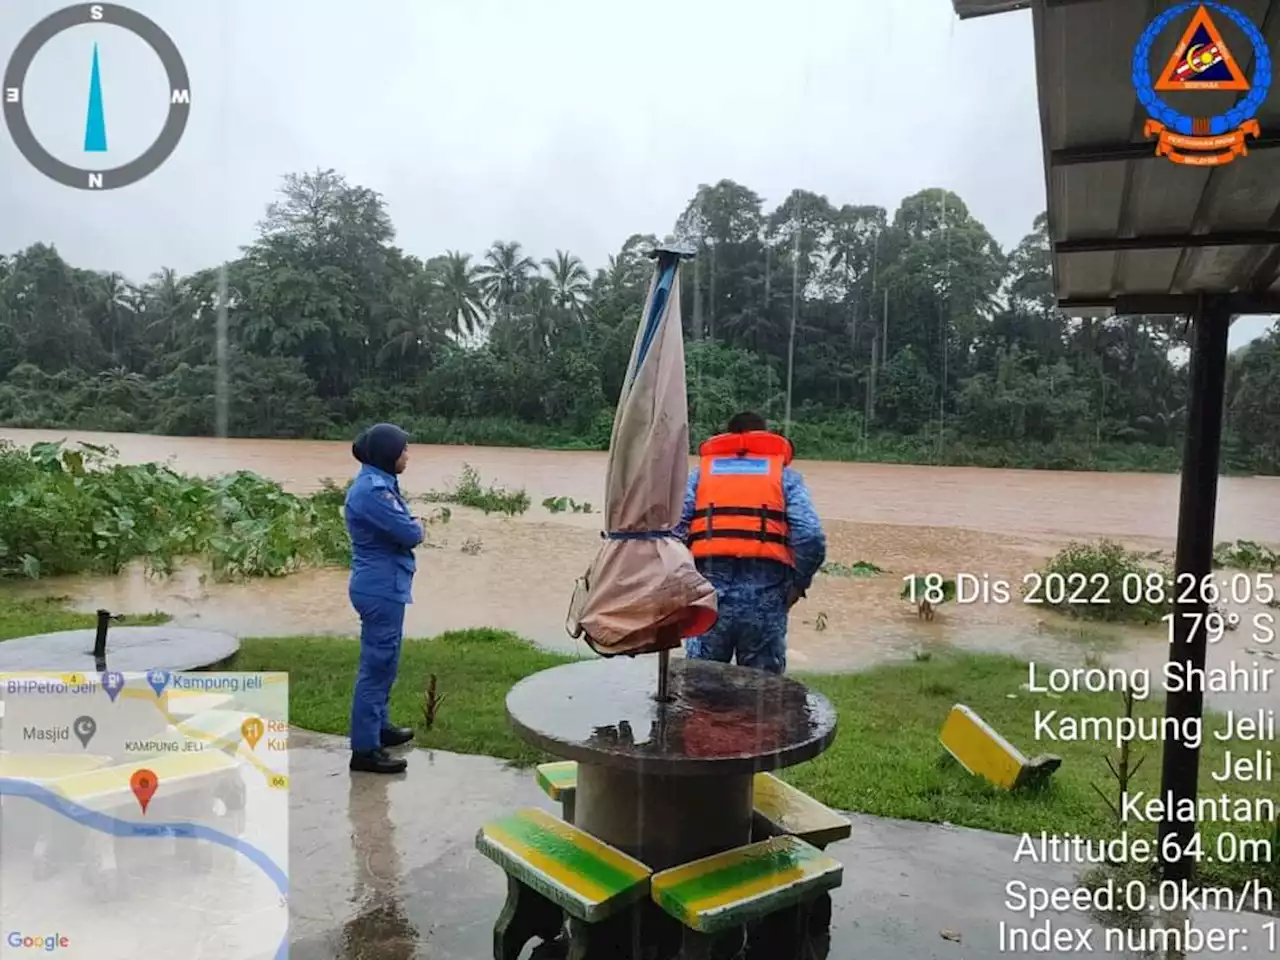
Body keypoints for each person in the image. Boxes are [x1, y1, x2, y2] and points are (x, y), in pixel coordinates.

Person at [675, 412, 826, 674]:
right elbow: (810, 536)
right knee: (762, 696)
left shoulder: (699, 478)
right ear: (764, 436)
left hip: (708, 599)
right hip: (765, 601)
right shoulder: (785, 478)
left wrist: (683, 581)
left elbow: (674, 530)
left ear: (728, 436)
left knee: (699, 688)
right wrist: (798, 584)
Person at [345, 423, 425, 774]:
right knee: (376, 667)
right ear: (388, 453)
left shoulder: (379, 484)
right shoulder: (372, 492)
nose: (408, 455)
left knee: (385, 662)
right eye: (404, 449)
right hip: (379, 588)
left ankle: (379, 727)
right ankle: (364, 750)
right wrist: (419, 526)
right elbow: (408, 532)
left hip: (385, 585)